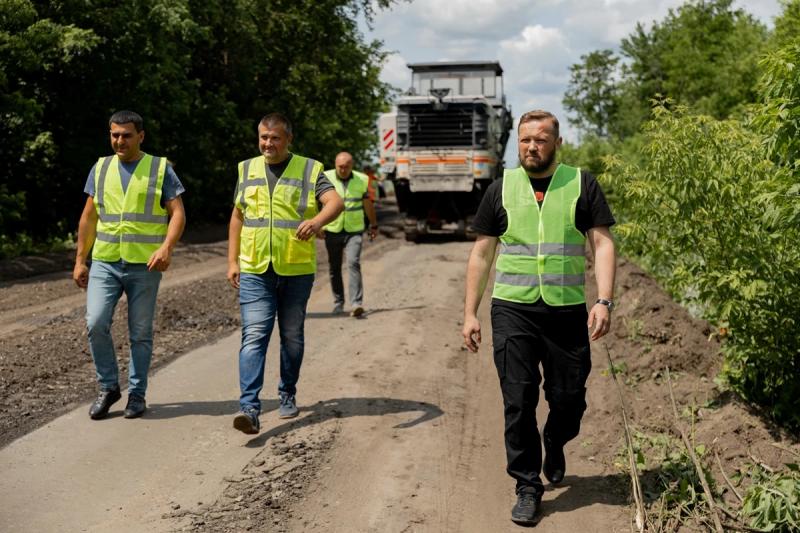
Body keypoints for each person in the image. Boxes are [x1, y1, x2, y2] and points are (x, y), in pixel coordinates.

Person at [462, 110, 616, 525]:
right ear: (518, 142)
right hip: (513, 309)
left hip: (566, 312)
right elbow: (482, 252)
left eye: (541, 140)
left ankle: (556, 437)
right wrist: (470, 313)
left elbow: (602, 244)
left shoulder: (582, 184)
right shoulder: (501, 188)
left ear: (557, 143)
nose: (533, 146)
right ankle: (527, 485)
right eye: (526, 139)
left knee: (568, 398)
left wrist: (604, 300)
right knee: (519, 399)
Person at [227, 113, 343, 434]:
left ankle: (287, 391)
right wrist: (232, 261)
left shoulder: (309, 168)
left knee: (291, 336)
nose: (268, 143)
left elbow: (335, 202)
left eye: (275, 138)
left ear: (288, 139)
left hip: (296, 268)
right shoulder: (246, 169)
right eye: (264, 137)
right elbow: (237, 217)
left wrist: (317, 222)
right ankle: (249, 408)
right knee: (254, 335)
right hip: (255, 267)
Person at [73, 110, 186, 420]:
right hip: (106, 262)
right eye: (114, 135)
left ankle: (137, 394)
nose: (119, 141)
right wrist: (80, 260)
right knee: (95, 323)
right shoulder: (100, 167)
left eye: (125, 135)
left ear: (141, 136)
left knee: (140, 333)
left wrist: (166, 247)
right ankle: (108, 387)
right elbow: (89, 217)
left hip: (144, 265)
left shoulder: (159, 168)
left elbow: (177, 213)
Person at [321, 152, 379, 317]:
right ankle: (338, 303)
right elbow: (316, 202)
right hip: (332, 229)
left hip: (354, 229)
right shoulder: (326, 177)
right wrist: (317, 224)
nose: (343, 169)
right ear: (335, 164)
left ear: (352, 165)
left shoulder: (362, 179)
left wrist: (374, 225)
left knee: (353, 263)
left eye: (346, 166)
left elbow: (368, 204)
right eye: (340, 166)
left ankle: (356, 303)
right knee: (334, 267)